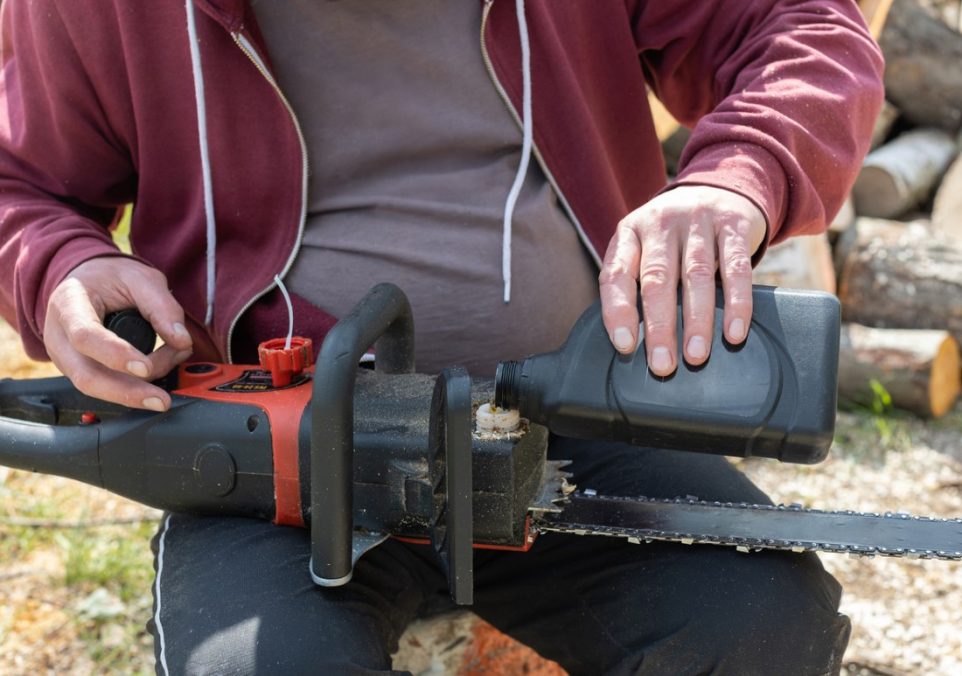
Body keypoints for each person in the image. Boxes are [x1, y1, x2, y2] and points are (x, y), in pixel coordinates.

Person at [0, 1, 883, 674]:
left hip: (575, 434)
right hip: (279, 457)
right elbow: (21, 185)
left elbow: (804, 30)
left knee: (762, 621)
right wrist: (58, 268)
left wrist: (738, 178)